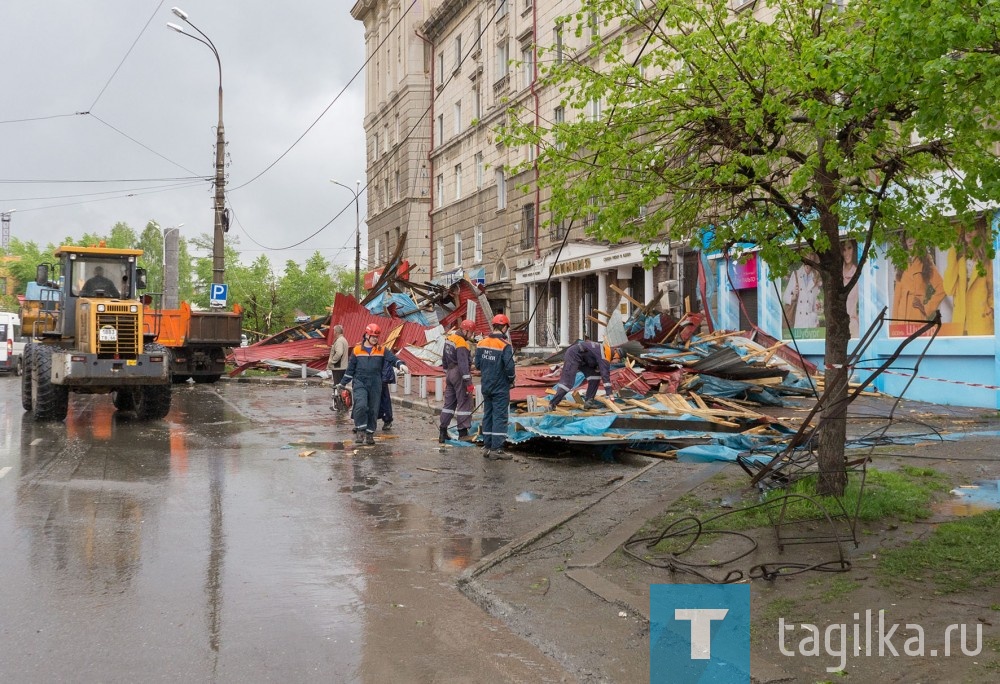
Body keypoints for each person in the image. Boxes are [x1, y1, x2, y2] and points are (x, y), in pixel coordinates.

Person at [336, 323, 408, 445]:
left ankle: (369, 434)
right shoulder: (357, 350)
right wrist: (342, 384)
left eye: (377, 337)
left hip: (375, 383)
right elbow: (350, 370)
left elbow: (393, 359)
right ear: (367, 335)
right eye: (373, 336)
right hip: (360, 381)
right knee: (361, 405)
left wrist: (401, 364)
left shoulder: (381, 350)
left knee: (373, 409)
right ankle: (360, 430)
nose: (375, 339)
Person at [473, 314, 516, 461]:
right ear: (504, 327)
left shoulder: (481, 343)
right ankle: (497, 449)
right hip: (500, 386)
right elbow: (509, 367)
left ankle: (487, 446)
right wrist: (511, 380)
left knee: (488, 415)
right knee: (500, 416)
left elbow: (477, 364)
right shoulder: (505, 345)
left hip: (486, 385)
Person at [547, 339, 616, 411]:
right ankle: (552, 404)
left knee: (595, 376)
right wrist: (610, 394)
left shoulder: (605, 351)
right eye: (618, 360)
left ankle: (589, 402)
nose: (617, 362)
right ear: (615, 356)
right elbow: (605, 375)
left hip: (584, 359)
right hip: (574, 354)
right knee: (568, 383)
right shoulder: (605, 355)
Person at [439, 319, 477, 443]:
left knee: (448, 404)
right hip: (459, 374)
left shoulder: (450, 338)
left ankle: (443, 431)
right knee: (465, 403)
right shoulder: (461, 342)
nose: (471, 335)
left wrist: (447, 373)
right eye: (471, 333)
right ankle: (463, 433)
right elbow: (463, 364)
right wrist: (468, 383)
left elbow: (444, 357)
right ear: (465, 330)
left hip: (449, 372)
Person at [327, 325, 350, 411]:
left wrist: (332, 361)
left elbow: (339, 353)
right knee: (341, 386)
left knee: (338, 386)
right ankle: (342, 404)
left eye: (334, 331)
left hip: (338, 367)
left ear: (336, 332)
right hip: (342, 367)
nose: (333, 333)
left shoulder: (339, 341)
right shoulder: (343, 340)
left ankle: (339, 405)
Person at [377, 361, 396, 430]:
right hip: (368, 377)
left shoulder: (382, 351)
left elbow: (387, 361)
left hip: (380, 377)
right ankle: (361, 422)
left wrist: (384, 378)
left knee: (384, 399)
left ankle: (387, 419)